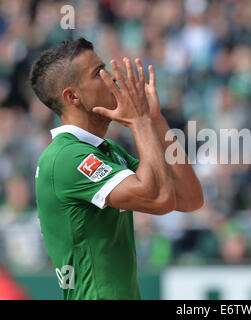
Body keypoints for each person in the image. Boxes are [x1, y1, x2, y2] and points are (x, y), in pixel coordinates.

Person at [30, 38, 204, 300]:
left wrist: (156, 121)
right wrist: (140, 121)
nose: (112, 79)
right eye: (98, 74)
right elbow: (160, 198)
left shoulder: (105, 150)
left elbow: (189, 197)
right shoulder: (66, 157)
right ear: (72, 96)